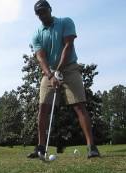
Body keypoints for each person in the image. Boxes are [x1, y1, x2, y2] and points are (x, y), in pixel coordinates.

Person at [27, 0, 100, 159]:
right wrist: (50, 74)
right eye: (39, 13)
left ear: (50, 9)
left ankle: (91, 147)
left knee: (79, 106)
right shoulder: (36, 34)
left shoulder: (66, 22)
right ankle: (40, 148)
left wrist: (59, 70)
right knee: (43, 109)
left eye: (44, 11)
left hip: (69, 68)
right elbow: (41, 58)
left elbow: (68, 46)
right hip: (50, 72)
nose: (42, 15)